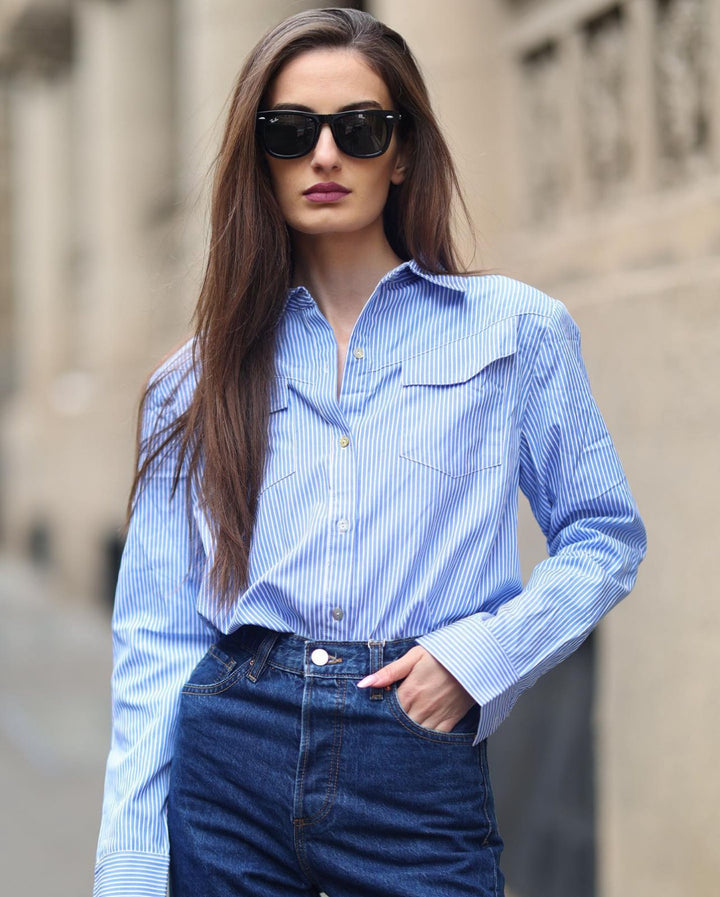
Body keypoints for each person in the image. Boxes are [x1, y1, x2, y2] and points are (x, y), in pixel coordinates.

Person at [93, 8, 646, 897]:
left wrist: (476, 660)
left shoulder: (515, 331)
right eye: (289, 132)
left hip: (414, 749)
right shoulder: (192, 380)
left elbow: (604, 536)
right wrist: (127, 869)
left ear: (402, 151)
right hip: (229, 751)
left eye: (359, 129)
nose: (324, 156)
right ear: (258, 157)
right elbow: (157, 637)